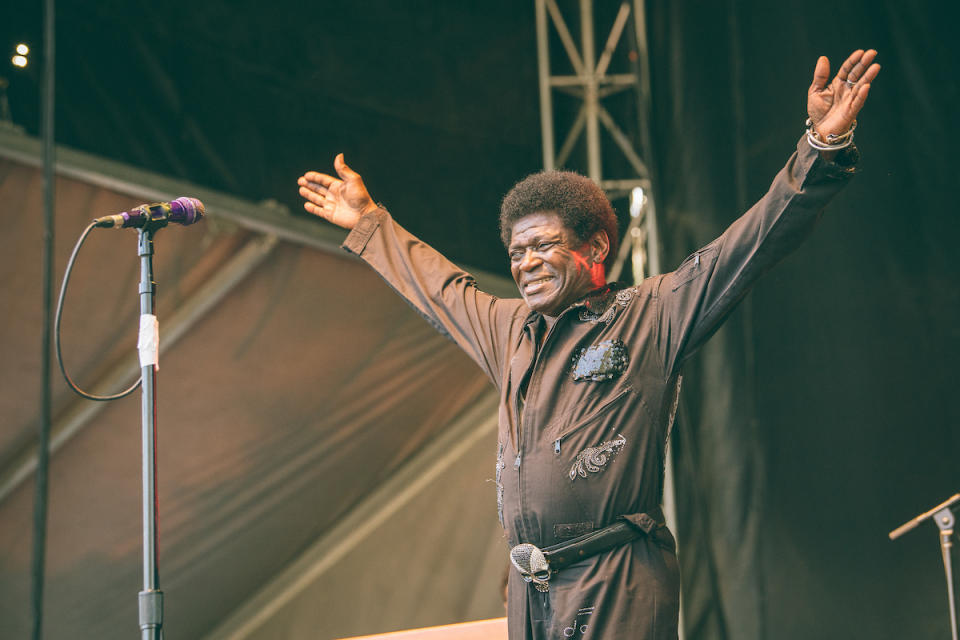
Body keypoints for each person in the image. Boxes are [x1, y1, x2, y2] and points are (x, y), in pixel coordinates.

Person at [297, 49, 880, 640]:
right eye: (516, 253)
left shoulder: (651, 312)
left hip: (616, 577)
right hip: (531, 587)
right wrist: (369, 221)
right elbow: (439, 287)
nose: (526, 264)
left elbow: (752, 242)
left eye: (542, 246)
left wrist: (820, 148)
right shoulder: (507, 330)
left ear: (596, 249)